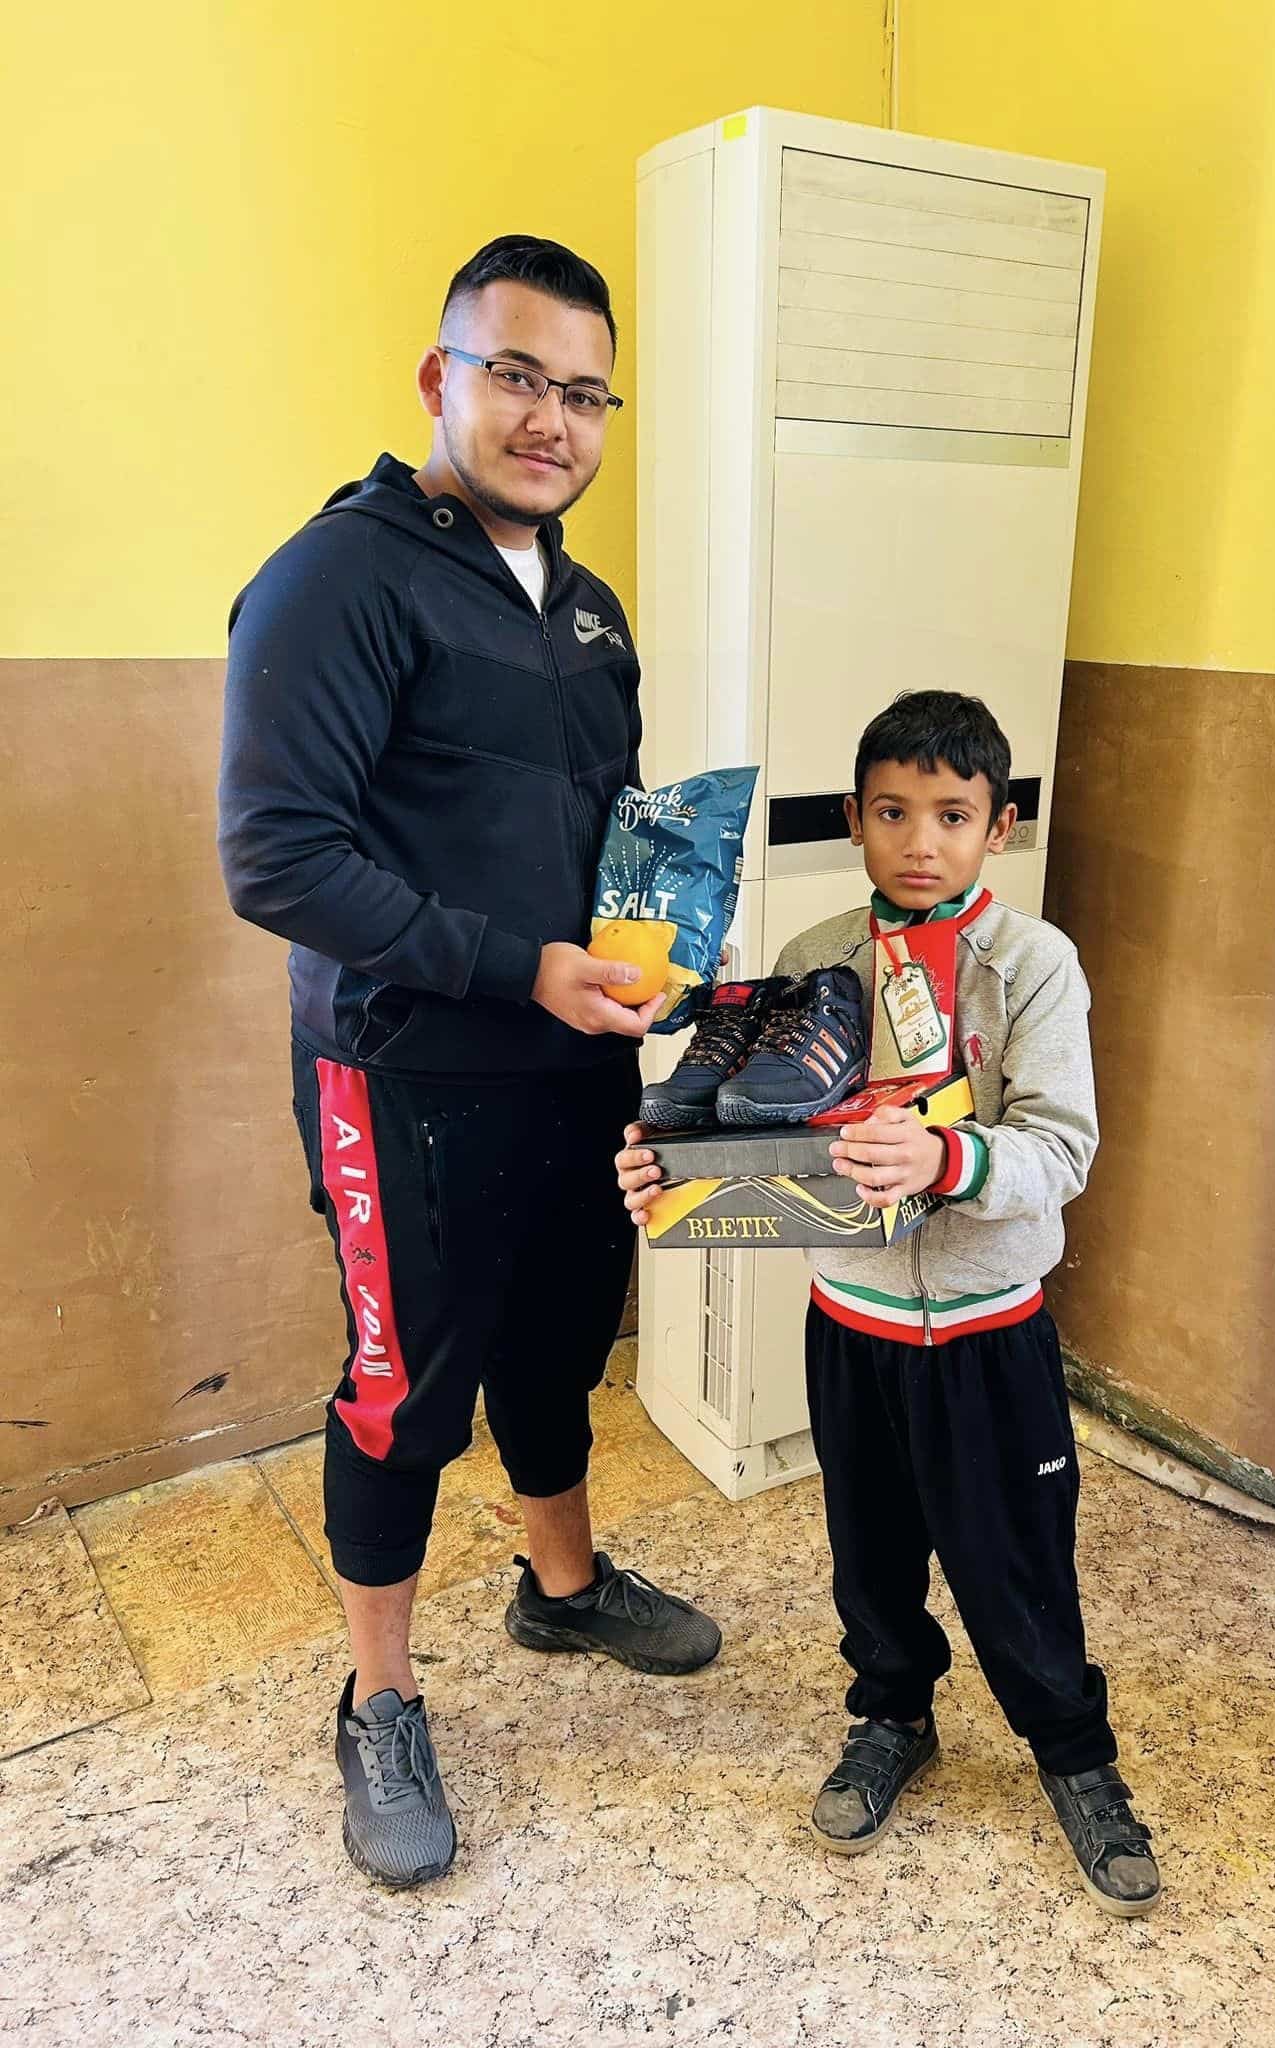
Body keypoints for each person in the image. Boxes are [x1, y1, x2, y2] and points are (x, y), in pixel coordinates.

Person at [219, 235, 721, 1891]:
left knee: (560, 1342)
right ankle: (378, 1699)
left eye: (585, 392)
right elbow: (277, 857)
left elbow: (603, 824)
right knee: (404, 1392)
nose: (551, 419)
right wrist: (522, 967)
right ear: (441, 378)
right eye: (516, 375)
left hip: (577, 1064)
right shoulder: (337, 579)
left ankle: (561, 1589)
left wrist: (660, 955)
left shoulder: (586, 604)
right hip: (405, 1072)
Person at [617, 690, 1161, 1916]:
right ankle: (892, 1715)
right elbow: (758, 1126)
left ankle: (1074, 1753)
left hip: (986, 1328)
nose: (922, 840)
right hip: (851, 1323)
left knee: (1016, 1563)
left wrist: (948, 1158)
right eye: (893, 812)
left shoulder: (1034, 964)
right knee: (868, 1553)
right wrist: (668, 1165)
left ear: (1000, 826)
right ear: (855, 821)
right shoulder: (818, 955)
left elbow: (1064, 1146)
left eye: (953, 814)